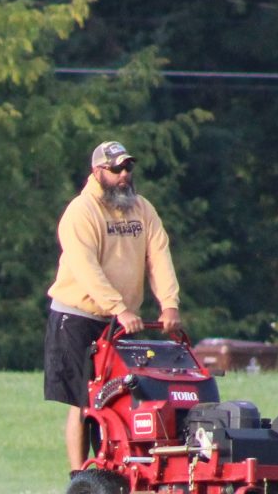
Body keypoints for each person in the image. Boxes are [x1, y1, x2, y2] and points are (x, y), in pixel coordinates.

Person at [45, 140, 185, 472]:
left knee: (117, 401)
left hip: (121, 322)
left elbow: (159, 256)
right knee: (85, 402)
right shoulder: (81, 212)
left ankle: (115, 473)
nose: (124, 175)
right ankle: (80, 479)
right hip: (78, 317)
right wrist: (118, 307)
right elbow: (85, 267)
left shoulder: (143, 209)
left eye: (128, 168)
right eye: (116, 169)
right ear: (98, 172)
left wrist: (169, 305)